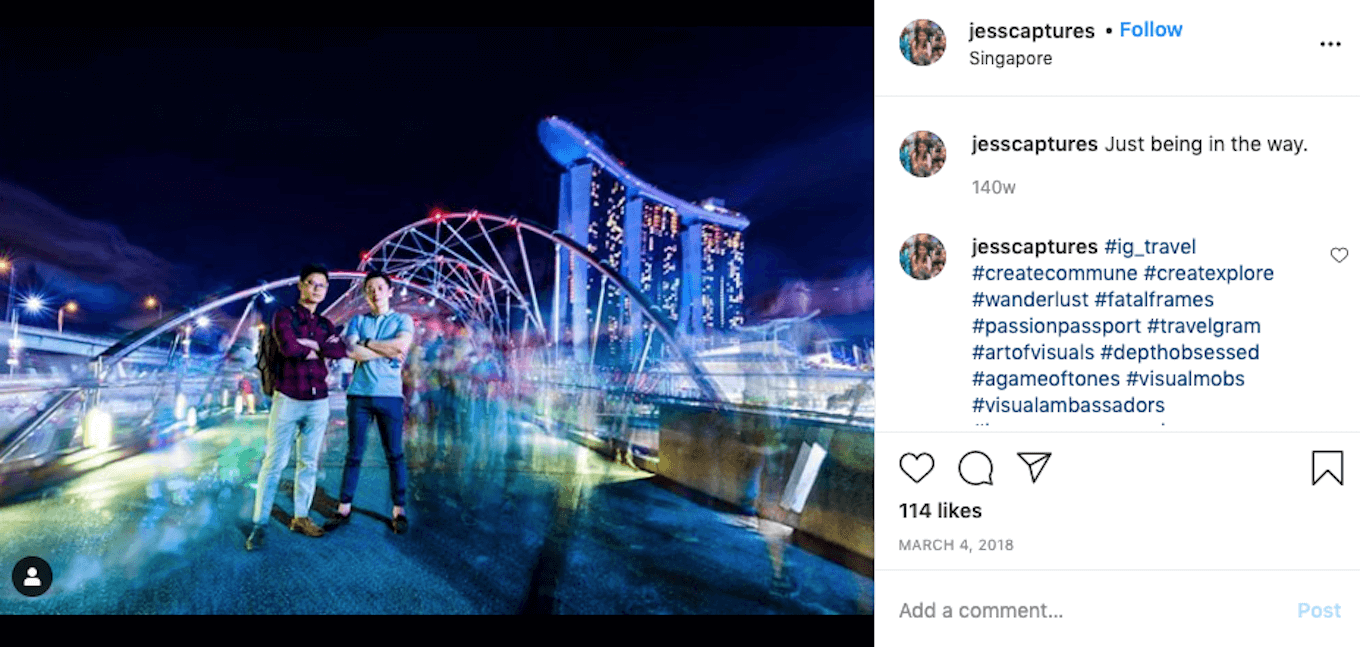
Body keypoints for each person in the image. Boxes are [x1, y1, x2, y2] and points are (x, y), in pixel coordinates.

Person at [246, 264, 348, 551]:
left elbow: (338, 350)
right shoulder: (283, 315)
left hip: (319, 402)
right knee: (274, 462)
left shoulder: (326, 323)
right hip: (288, 397)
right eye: (312, 283)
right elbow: (290, 348)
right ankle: (260, 523)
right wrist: (319, 347)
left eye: (322, 286)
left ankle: (300, 517)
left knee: (309, 463)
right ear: (301, 286)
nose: (317, 289)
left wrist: (311, 344)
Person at [324, 270, 414, 534]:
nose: (375, 292)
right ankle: (344, 507)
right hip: (360, 395)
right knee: (354, 453)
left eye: (379, 287)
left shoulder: (403, 318)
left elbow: (401, 346)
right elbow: (351, 351)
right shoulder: (357, 319)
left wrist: (367, 343)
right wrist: (383, 348)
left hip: (390, 396)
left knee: (395, 454)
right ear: (366, 294)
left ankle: (399, 509)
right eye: (369, 289)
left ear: (389, 291)